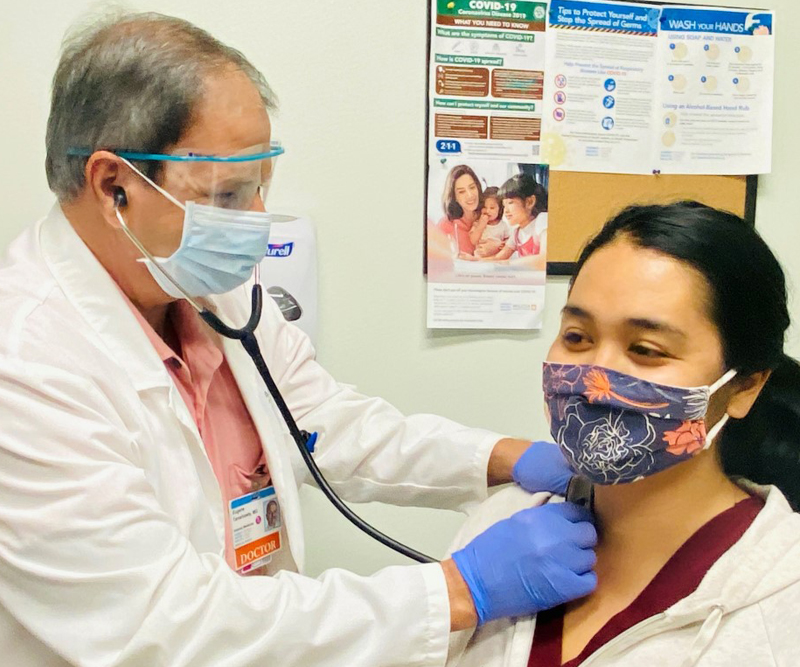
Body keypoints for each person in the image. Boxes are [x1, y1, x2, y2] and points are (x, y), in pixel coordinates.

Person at [0, 12, 597, 666]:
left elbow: (321, 423)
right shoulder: (24, 363)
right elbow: (166, 625)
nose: (256, 219)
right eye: (226, 193)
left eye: (260, 184)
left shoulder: (207, 290)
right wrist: (458, 590)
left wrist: (503, 457)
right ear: (114, 185)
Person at [446, 202, 800, 667]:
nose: (597, 374)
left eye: (645, 349)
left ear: (744, 386)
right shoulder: (504, 524)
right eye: (576, 337)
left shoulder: (782, 601)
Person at [491, 174, 548, 270]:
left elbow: (543, 260)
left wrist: (506, 264)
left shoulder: (542, 220)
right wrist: (474, 260)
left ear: (530, 202)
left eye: (510, 203)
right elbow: (498, 259)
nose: (506, 211)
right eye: (504, 205)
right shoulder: (516, 233)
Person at [468, 187, 512, 260]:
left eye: (492, 208)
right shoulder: (477, 223)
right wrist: (481, 225)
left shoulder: (503, 225)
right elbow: (473, 240)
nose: (487, 211)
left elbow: (509, 241)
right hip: (480, 259)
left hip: (497, 259)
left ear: (500, 209)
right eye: (485, 207)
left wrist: (502, 244)